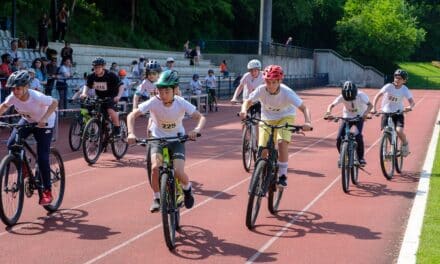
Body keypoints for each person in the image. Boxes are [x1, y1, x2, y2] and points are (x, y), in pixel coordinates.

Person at [127, 70, 206, 212]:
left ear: (175, 90)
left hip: (177, 140)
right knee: (155, 168)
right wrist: (131, 133)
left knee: (178, 171)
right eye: (160, 91)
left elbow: (201, 117)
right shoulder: (154, 101)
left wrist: (196, 130)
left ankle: (187, 190)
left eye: (166, 92)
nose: (163, 95)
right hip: (157, 139)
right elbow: (131, 116)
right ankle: (157, 197)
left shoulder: (181, 102)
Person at [239, 65, 312, 187]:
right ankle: (261, 172)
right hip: (267, 118)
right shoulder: (261, 90)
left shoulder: (287, 92)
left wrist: (308, 122)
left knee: (282, 142)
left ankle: (282, 175)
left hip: (285, 117)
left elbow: (304, 108)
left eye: (274, 82)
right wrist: (243, 110)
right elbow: (248, 101)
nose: (271, 85)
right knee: (262, 149)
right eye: (268, 82)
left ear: (280, 81)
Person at [0, 70, 58, 205]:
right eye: (13, 88)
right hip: (27, 120)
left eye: (18, 88)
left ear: (26, 87)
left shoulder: (36, 96)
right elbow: (3, 106)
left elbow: (55, 102)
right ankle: (24, 168)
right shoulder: (13, 97)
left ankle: (47, 191)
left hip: (45, 123)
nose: (15, 91)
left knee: (42, 157)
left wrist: (44, 119)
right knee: (11, 144)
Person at [324, 81, 372, 166]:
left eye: (352, 98)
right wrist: (328, 112)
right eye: (347, 99)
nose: (349, 100)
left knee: (358, 136)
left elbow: (370, 105)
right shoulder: (341, 96)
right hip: (347, 116)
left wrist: (365, 114)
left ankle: (361, 158)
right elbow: (331, 105)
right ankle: (342, 156)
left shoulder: (361, 95)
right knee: (339, 138)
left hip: (359, 117)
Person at [370, 69, 415, 156]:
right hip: (386, 112)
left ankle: (405, 143)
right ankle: (392, 149)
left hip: (398, 113)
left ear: (404, 80)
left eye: (399, 78)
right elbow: (377, 96)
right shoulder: (388, 86)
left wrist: (410, 107)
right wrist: (374, 108)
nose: (397, 79)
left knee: (399, 130)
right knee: (384, 131)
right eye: (395, 77)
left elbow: (412, 102)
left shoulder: (404, 89)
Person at [80, 57, 124, 136]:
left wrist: (118, 96)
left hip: (111, 96)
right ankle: (94, 127)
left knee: (110, 110)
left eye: (98, 67)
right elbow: (87, 85)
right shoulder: (92, 76)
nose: (96, 69)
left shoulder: (110, 75)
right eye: (94, 67)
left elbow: (121, 85)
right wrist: (84, 93)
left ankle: (117, 128)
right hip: (99, 96)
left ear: (103, 67)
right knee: (90, 108)